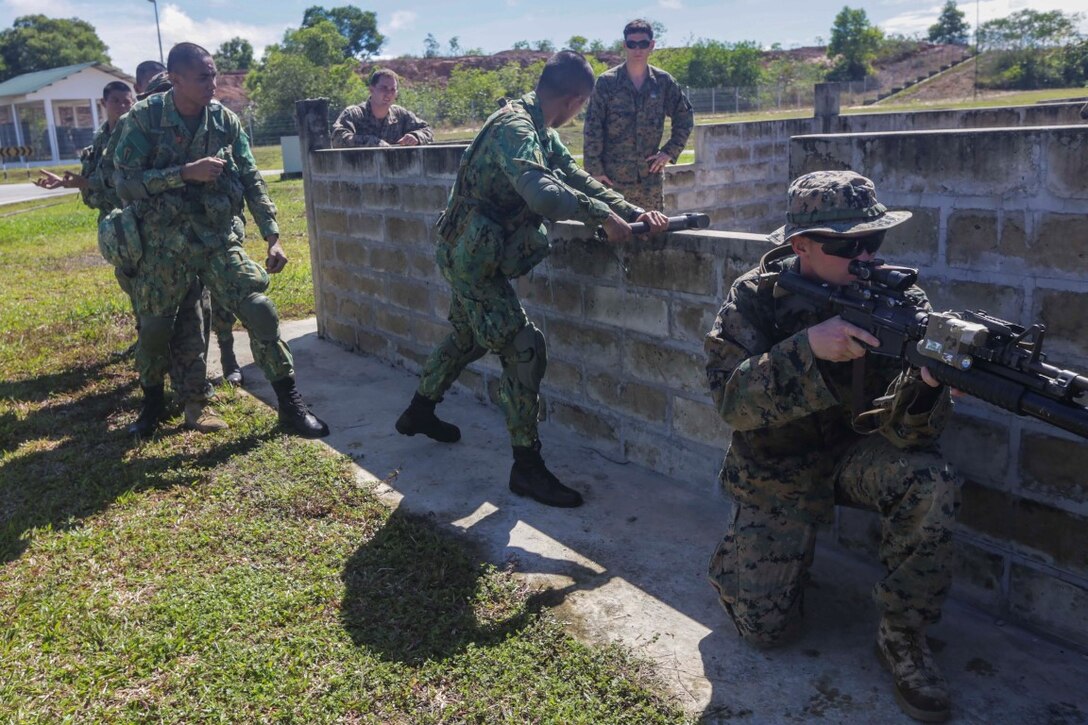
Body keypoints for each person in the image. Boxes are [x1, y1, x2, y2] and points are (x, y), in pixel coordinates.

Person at [703, 170, 961, 723]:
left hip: (855, 455)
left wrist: (927, 389)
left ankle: (903, 634)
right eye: (848, 246)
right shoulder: (755, 297)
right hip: (777, 467)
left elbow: (910, 436)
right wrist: (807, 351)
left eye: (875, 240)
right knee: (766, 632)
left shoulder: (900, 300)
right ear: (801, 245)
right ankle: (737, 563)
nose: (866, 256)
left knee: (930, 481)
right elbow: (730, 402)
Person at [395, 51, 668, 507]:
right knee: (524, 347)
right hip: (470, 259)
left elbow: (574, 177)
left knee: (469, 337)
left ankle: (419, 412)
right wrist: (600, 217)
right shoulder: (516, 128)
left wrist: (632, 211)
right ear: (576, 100)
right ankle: (526, 466)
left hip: (473, 254)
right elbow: (542, 193)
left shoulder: (539, 128)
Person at [112, 42, 329, 439]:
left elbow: (250, 177)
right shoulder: (146, 118)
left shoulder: (224, 120)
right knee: (155, 330)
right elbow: (124, 183)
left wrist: (272, 236)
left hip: (216, 238)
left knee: (260, 310)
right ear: (175, 79)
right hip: (163, 244)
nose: (212, 84)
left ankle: (290, 405)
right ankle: (152, 405)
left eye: (213, 75)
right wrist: (184, 173)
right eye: (202, 77)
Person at [582, 18, 694, 211]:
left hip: (649, 181)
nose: (638, 49)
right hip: (612, 180)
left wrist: (669, 152)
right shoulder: (607, 83)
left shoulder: (663, 82)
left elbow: (684, 116)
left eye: (643, 44)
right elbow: (593, 127)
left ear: (652, 45)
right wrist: (594, 170)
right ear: (624, 45)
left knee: (651, 228)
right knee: (613, 229)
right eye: (632, 44)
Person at [331, 69, 434, 148]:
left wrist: (416, 136)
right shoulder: (354, 114)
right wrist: (372, 142)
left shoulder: (400, 115)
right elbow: (337, 138)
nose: (388, 93)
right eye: (383, 88)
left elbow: (427, 130)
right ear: (371, 89)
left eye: (393, 90)